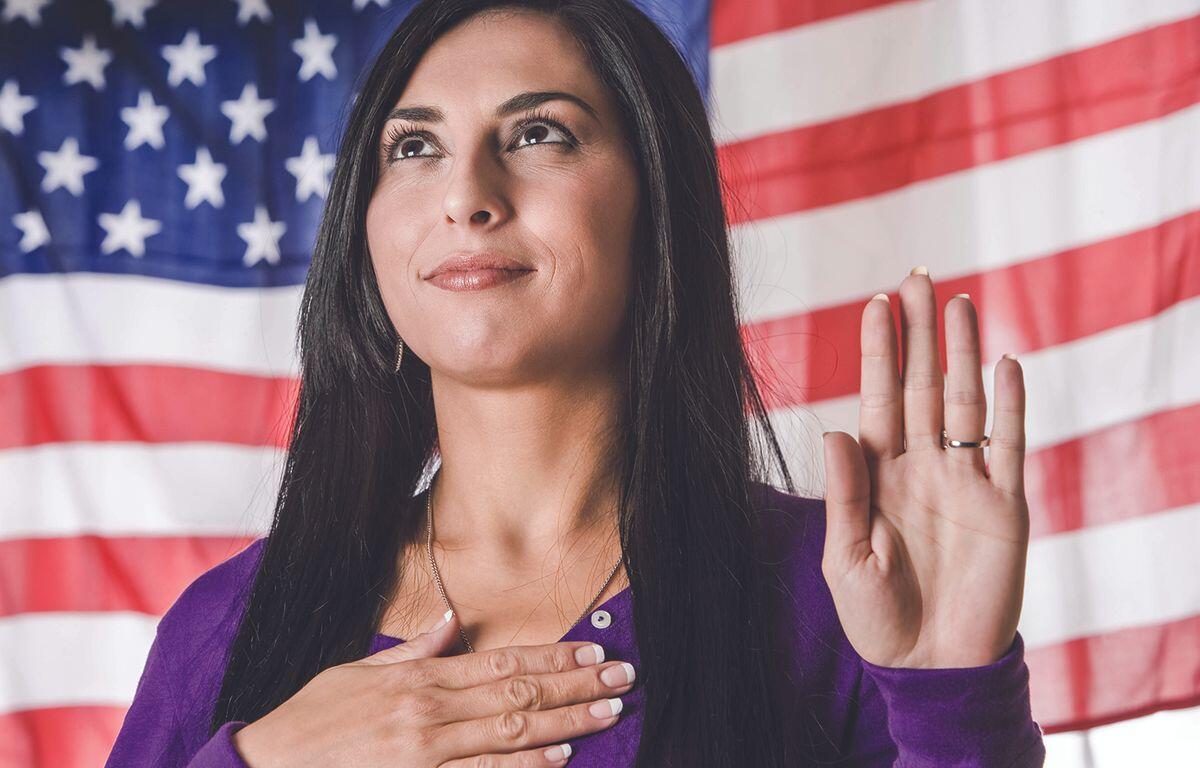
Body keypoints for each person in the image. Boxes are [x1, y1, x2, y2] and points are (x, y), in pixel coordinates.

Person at [104, 0, 1047, 766]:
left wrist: (952, 695)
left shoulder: (839, 589)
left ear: (657, 205)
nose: (466, 194)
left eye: (540, 133)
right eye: (414, 147)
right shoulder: (226, 627)